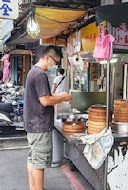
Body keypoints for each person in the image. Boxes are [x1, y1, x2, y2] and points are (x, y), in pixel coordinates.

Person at [23, 45, 72, 190]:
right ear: (47, 58)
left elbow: (45, 96)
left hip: (33, 124)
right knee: (39, 161)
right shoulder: (40, 75)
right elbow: (45, 101)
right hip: (39, 125)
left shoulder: (34, 71)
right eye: (55, 62)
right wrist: (62, 99)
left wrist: (59, 96)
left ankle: (34, 188)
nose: (55, 66)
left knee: (32, 158)